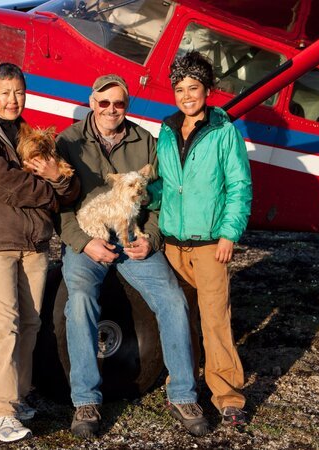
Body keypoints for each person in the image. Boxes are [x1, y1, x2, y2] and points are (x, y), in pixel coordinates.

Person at [55, 74, 209, 438]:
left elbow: (160, 201)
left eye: (119, 103)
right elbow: (57, 205)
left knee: (172, 299)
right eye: (104, 102)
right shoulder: (68, 141)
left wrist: (151, 239)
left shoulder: (146, 142)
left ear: (127, 106)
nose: (111, 110)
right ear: (92, 103)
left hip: (133, 240)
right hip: (88, 240)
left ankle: (184, 394)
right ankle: (86, 401)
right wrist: (82, 241)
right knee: (79, 301)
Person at [0, 63, 79, 443]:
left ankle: (20, 395)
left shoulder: (31, 134)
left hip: (36, 244)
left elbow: (69, 183)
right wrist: (51, 191)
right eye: (5, 92)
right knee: (4, 326)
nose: (13, 99)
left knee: (30, 324)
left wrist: (58, 181)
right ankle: (0, 413)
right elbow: (1, 184)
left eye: (19, 92)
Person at [147, 51, 252, 426]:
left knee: (214, 320)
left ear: (207, 90)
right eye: (180, 89)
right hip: (173, 244)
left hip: (210, 245)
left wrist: (229, 233)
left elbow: (239, 185)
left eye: (193, 88)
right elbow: (162, 184)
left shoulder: (224, 131)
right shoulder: (167, 129)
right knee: (180, 317)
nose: (187, 95)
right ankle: (182, 384)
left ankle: (228, 395)